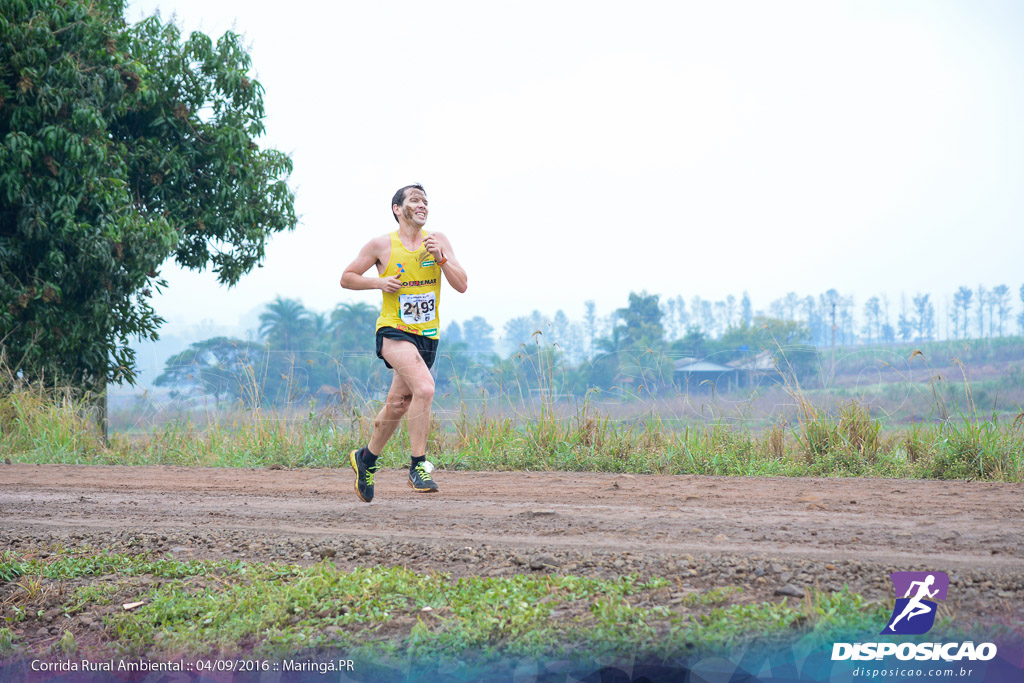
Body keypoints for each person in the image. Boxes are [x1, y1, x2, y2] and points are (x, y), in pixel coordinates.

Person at [340, 184, 467, 503]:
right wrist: (378, 282)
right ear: (398, 208)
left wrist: (440, 260)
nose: (422, 205)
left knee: (398, 404)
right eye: (415, 200)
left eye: (426, 201)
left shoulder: (438, 242)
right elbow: (347, 277)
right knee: (424, 388)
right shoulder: (381, 244)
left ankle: (365, 459)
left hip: (427, 337)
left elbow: (462, 284)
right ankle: (418, 466)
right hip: (393, 331)